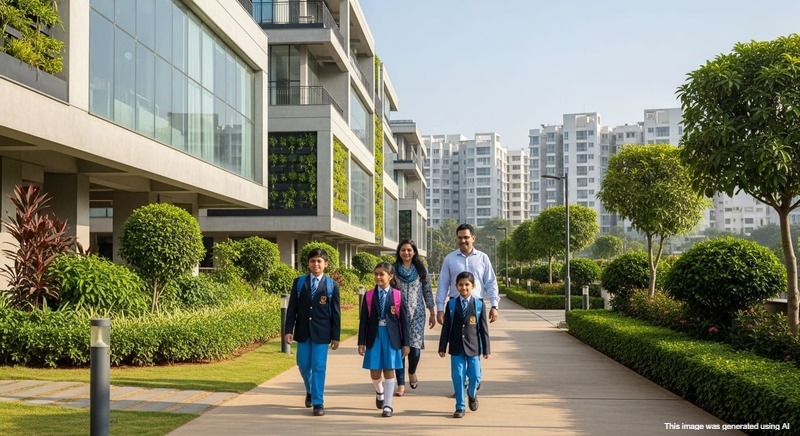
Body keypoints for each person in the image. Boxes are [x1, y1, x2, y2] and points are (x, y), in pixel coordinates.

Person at [283, 248, 341, 417]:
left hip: (322, 334)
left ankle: (318, 402)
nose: (316, 264)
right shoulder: (299, 283)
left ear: (326, 264)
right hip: (303, 332)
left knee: (319, 367)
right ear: (308, 263)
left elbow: (336, 313)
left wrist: (335, 336)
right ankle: (309, 390)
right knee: (303, 365)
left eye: (319, 261)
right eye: (313, 261)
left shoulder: (332, 285)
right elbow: (292, 308)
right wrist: (288, 330)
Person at [358, 262, 410, 417]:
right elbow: (364, 321)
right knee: (375, 371)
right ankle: (379, 391)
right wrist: (361, 342)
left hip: (391, 337)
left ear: (390, 276)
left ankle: (388, 405)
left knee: (389, 369)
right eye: (376, 274)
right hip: (374, 336)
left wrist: (406, 343)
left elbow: (404, 321)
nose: (378, 277)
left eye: (382, 274)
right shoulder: (368, 296)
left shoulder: (398, 295)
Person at [438, 271, 491, 418]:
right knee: (458, 376)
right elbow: (446, 327)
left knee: (475, 375)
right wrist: (442, 346)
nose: (464, 287)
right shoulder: (452, 304)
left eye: (467, 284)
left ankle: (472, 394)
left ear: (473, 286)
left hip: (474, 347)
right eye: (460, 285)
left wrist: (486, 348)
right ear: (456, 286)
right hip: (456, 347)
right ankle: (460, 406)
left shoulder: (479, 305)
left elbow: (483, 329)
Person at [392, 239, 436, 397]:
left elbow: (428, 291)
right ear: (399, 252)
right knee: (399, 350)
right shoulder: (393, 269)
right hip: (397, 314)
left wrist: (432, 312)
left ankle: (412, 372)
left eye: (409, 250)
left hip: (417, 314)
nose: (406, 253)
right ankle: (401, 384)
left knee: (415, 350)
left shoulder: (421, 269)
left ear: (414, 252)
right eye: (403, 250)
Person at [436, 223, 500, 326]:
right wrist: (440, 309)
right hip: (455, 306)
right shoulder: (449, 259)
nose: (463, 241)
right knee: (455, 340)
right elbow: (443, 284)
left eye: (466, 237)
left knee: (478, 338)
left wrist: (494, 306)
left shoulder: (482, 258)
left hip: (477, 305)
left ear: (473, 238)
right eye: (460, 238)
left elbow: (490, 282)